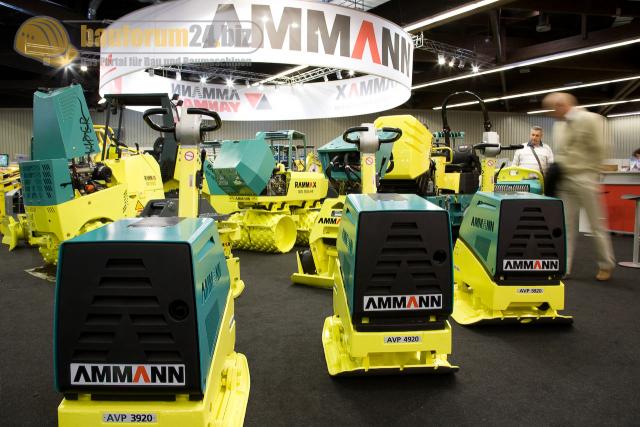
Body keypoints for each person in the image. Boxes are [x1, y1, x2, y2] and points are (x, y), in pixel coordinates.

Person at [542, 92, 616, 281]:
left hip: (586, 177)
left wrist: (594, 173)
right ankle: (564, 267)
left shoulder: (592, 119)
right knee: (566, 225)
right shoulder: (558, 126)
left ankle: (606, 264)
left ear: (561, 105)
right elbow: (561, 152)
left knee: (596, 224)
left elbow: (601, 148)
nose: (551, 114)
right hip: (566, 180)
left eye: (552, 109)